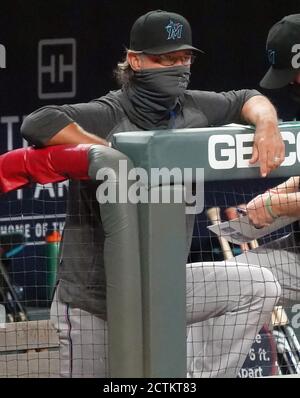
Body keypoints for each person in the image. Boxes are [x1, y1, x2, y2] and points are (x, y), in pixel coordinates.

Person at [20, 10, 283, 378]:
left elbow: (246, 97)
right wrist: (106, 153)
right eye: (165, 58)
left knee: (257, 286)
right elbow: (38, 121)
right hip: (96, 302)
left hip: (164, 284)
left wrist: (267, 123)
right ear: (135, 61)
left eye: (184, 57)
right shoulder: (109, 112)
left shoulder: (194, 108)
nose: (179, 67)